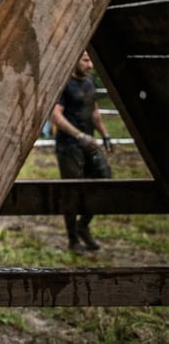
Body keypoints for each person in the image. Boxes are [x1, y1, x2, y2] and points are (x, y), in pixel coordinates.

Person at [50, 50, 114, 253]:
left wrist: (105, 135)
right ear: (75, 60)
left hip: (90, 144)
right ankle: (73, 239)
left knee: (105, 180)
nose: (90, 65)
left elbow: (94, 112)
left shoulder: (89, 82)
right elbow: (56, 116)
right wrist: (79, 136)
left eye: (91, 61)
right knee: (72, 191)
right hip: (69, 145)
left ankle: (83, 225)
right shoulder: (64, 84)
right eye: (86, 60)